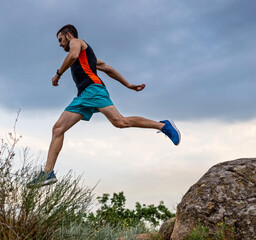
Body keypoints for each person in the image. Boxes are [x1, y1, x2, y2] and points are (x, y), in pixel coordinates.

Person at [27, 24, 181, 188]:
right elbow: (107, 68)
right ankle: (47, 173)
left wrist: (58, 75)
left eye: (60, 40)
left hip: (93, 90)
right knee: (58, 129)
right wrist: (127, 84)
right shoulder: (86, 56)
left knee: (120, 122)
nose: (60, 44)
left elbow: (72, 55)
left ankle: (164, 125)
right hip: (83, 96)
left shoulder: (76, 42)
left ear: (69, 35)